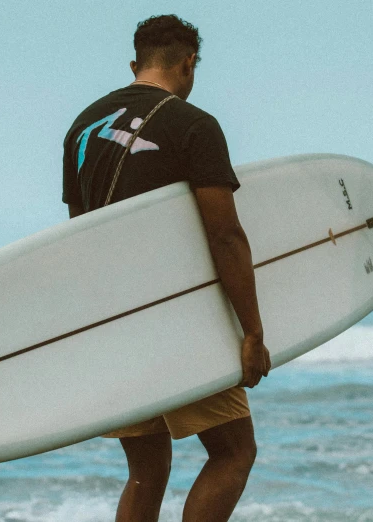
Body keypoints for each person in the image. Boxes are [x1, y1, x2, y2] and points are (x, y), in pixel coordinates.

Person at [62, 15, 271, 522]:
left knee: (145, 468)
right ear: (189, 62)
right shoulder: (194, 125)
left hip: (113, 322)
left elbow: (76, 236)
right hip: (176, 320)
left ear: (135, 64)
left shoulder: (82, 126)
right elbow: (224, 234)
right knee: (233, 452)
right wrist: (252, 330)